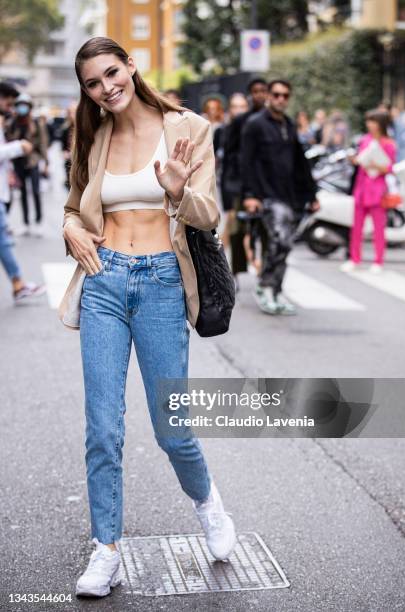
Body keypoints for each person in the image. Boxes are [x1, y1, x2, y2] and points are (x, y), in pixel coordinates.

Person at [60, 37, 237, 598]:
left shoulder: (187, 129)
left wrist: (180, 191)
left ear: (131, 66)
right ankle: (106, 549)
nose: (106, 88)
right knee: (103, 428)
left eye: (112, 73)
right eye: (92, 82)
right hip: (104, 283)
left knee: (173, 431)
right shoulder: (92, 133)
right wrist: (69, 228)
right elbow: (73, 207)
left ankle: (208, 502)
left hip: (163, 281)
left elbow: (210, 215)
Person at [241, 79, 320, 315]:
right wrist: (250, 195)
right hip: (267, 194)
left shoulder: (289, 124)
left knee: (285, 245)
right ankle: (265, 285)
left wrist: (312, 194)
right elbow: (245, 162)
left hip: (291, 195)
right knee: (281, 240)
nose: (280, 99)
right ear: (269, 96)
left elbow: (300, 162)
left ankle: (275, 290)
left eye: (285, 95)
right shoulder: (255, 125)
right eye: (276, 94)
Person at [0, 82, 46, 302]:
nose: (12, 106)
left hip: (30, 164)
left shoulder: (34, 122)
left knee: (3, 239)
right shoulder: (9, 121)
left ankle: (18, 283)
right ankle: (18, 283)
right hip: (16, 167)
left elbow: (43, 143)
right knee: (3, 240)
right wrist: (19, 146)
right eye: (9, 100)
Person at [221, 78, 268, 285]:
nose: (259, 95)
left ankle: (266, 272)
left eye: (263, 91)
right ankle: (237, 272)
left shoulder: (276, 120)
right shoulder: (240, 122)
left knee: (267, 230)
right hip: (241, 184)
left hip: (268, 186)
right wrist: (229, 189)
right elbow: (229, 156)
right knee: (238, 231)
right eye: (255, 91)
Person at [341, 110, 396, 274]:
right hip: (361, 187)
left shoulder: (388, 144)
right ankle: (354, 258)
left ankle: (378, 260)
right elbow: (359, 159)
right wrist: (356, 160)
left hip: (378, 189)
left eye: (373, 121)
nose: (370, 125)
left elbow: (391, 167)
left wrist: (378, 166)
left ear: (381, 124)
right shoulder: (365, 140)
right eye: (368, 121)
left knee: (378, 228)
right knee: (356, 227)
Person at [7, 93, 49, 237]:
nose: (22, 108)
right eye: (20, 105)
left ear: (29, 107)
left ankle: (38, 222)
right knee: (23, 193)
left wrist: (46, 163)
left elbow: (43, 144)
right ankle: (26, 223)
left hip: (33, 161)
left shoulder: (36, 123)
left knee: (36, 191)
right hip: (18, 162)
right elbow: (8, 142)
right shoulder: (12, 123)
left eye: (25, 105)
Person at [213, 93, 249, 250]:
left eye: (242, 106)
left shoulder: (254, 129)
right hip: (227, 186)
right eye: (235, 107)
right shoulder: (222, 131)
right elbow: (215, 160)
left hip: (252, 186)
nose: (239, 111)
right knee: (230, 225)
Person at [60, 101, 77, 190]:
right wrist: (65, 153)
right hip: (69, 162)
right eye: (70, 112)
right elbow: (63, 147)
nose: (72, 115)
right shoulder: (65, 128)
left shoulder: (84, 127)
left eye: (74, 112)